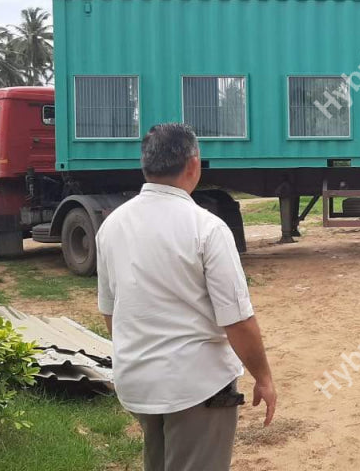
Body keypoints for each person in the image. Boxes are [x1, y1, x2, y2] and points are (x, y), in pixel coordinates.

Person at [97, 123, 276, 471]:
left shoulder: (112, 226)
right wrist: (264, 377)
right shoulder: (206, 227)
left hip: (137, 383)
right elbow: (237, 320)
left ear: (146, 166)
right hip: (196, 387)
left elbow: (110, 314)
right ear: (193, 164)